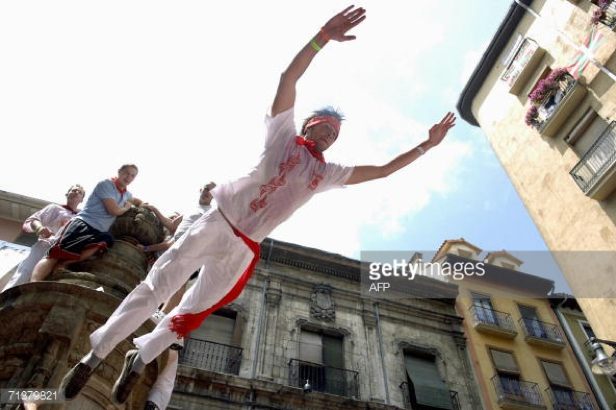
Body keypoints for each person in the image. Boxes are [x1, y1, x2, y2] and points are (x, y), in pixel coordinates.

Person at [59, 6, 456, 405]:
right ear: (308, 125)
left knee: (195, 311)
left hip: (243, 245)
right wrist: (322, 37)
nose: (330, 136)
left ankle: (140, 355)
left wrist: (426, 145)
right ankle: (96, 354)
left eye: (335, 134)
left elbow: (383, 170)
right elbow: (289, 78)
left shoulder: (326, 172)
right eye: (325, 127)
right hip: (219, 221)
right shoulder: (281, 134)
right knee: (159, 285)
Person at [141, 182, 216, 410]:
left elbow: (176, 237)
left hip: (190, 251)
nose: (206, 191)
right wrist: (153, 208)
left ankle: (162, 313)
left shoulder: (212, 212)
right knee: (164, 283)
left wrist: (147, 248)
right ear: (200, 190)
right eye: (205, 187)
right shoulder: (189, 211)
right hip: (175, 251)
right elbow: (172, 227)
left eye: (211, 190)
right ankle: (154, 403)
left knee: (178, 283)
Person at [31, 164, 143, 282]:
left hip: (99, 231)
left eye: (132, 176)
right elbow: (114, 210)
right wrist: (126, 208)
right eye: (126, 173)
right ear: (119, 172)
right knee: (55, 254)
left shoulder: (127, 194)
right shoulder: (106, 184)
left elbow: (136, 200)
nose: (129, 177)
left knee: (105, 241)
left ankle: (63, 265)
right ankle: (33, 283)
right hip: (84, 223)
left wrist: (144, 205)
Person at [1, 185, 85, 292]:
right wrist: (40, 229)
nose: (76, 192)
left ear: (82, 199)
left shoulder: (80, 218)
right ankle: (5, 301)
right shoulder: (55, 208)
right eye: (73, 190)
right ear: (67, 194)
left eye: (80, 192)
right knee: (24, 273)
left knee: (48, 285)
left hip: (63, 253)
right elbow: (34, 220)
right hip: (45, 246)